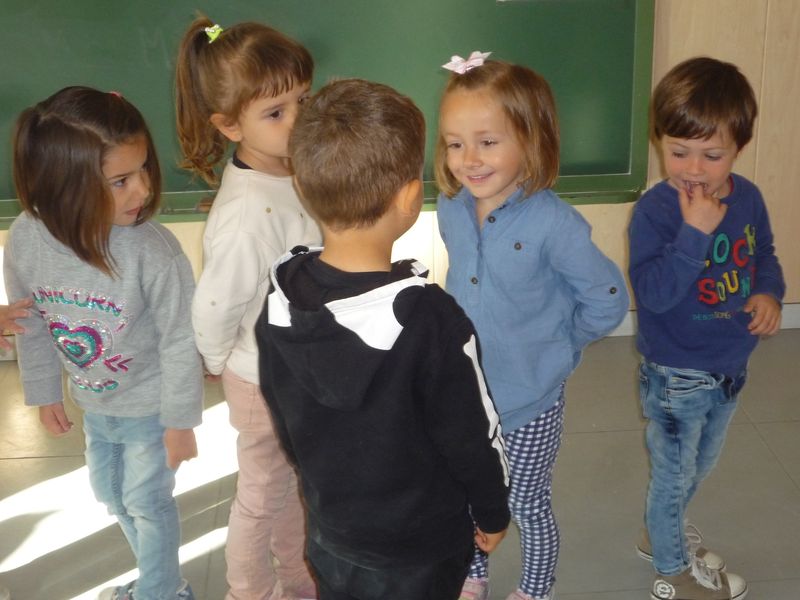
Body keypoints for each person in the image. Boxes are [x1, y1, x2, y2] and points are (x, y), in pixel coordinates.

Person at [255, 78, 511, 600]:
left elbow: (285, 417)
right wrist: (493, 512)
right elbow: (471, 435)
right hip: (422, 550)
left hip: (331, 536)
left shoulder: (282, 299)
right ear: (410, 197)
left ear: (303, 186)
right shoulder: (433, 321)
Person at [434, 54, 630, 600]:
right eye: (454, 143)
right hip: (464, 394)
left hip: (528, 402)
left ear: (531, 139)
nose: (469, 159)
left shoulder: (555, 223)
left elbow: (607, 298)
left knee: (525, 504)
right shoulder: (451, 206)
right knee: (467, 495)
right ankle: (473, 573)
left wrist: (560, 347)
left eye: (487, 142)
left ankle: (536, 588)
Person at [3, 86, 203, 600]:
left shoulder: (151, 251)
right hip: (94, 403)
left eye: (143, 169)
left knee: (147, 502)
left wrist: (180, 422)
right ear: (64, 187)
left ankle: (161, 592)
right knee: (112, 496)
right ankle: (162, 583)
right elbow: (31, 321)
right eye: (120, 180)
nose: (143, 189)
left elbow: (182, 339)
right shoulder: (26, 238)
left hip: (151, 406)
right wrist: (45, 393)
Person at [174, 17, 320, 600]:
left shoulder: (288, 167)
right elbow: (214, 305)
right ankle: (249, 591)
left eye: (304, 99)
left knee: (286, 487)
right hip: (261, 378)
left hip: (292, 367)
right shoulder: (244, 215)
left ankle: (298, 578)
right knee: (260, 497)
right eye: (276, 112)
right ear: (229, 125)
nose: (299, 119)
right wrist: (216, 360)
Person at [629, 56, 784, 600]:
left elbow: (763, 255)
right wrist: (694, 234)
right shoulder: (656, 212)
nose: (694, 169)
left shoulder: (749, 199)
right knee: (673, 474)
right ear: (659, 143)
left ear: (738, 148)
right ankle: (672, 568)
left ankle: (661, 530)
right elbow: (653, 294)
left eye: (712, 155)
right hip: (675, 373)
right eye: (679, 152)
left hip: (730, 366)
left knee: (700, 464)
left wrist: (768, 292)